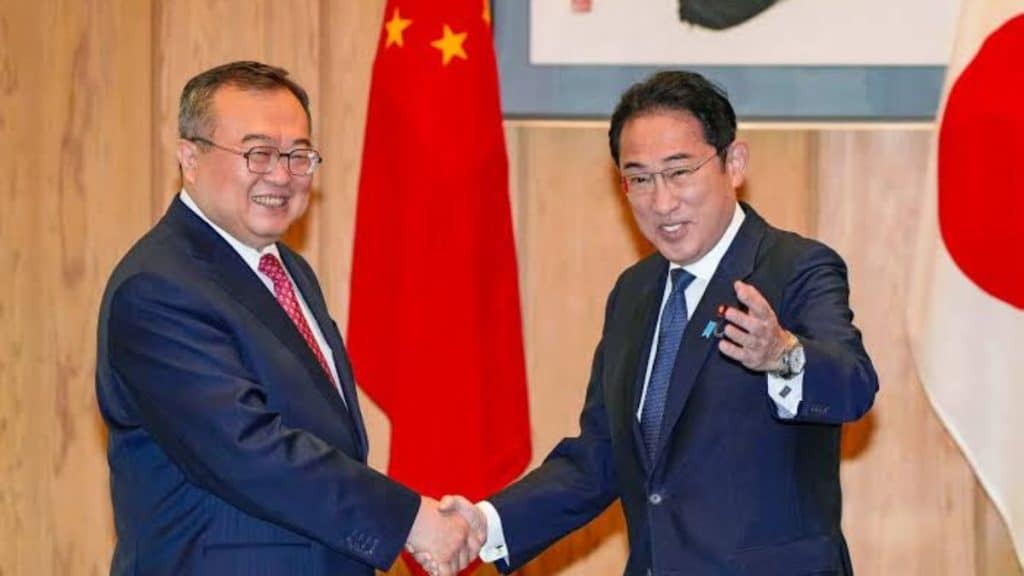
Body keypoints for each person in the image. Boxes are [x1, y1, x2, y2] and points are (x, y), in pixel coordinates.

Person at [436, 70, 879, 575]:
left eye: (680, 172)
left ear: (734, 163)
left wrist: (783, 356)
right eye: (640, 179)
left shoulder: (795, 267)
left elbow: (854, 385)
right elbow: (600, 456)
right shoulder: (634, 292)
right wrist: (485, 524)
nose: (662, 202)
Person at [95, 61, 477, 576]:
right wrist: (410, 520)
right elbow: (247, 450)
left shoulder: (285, 268)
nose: (280, 175)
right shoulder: (158, 288)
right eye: (258, 153)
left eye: (298, 155)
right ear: (190, 158)